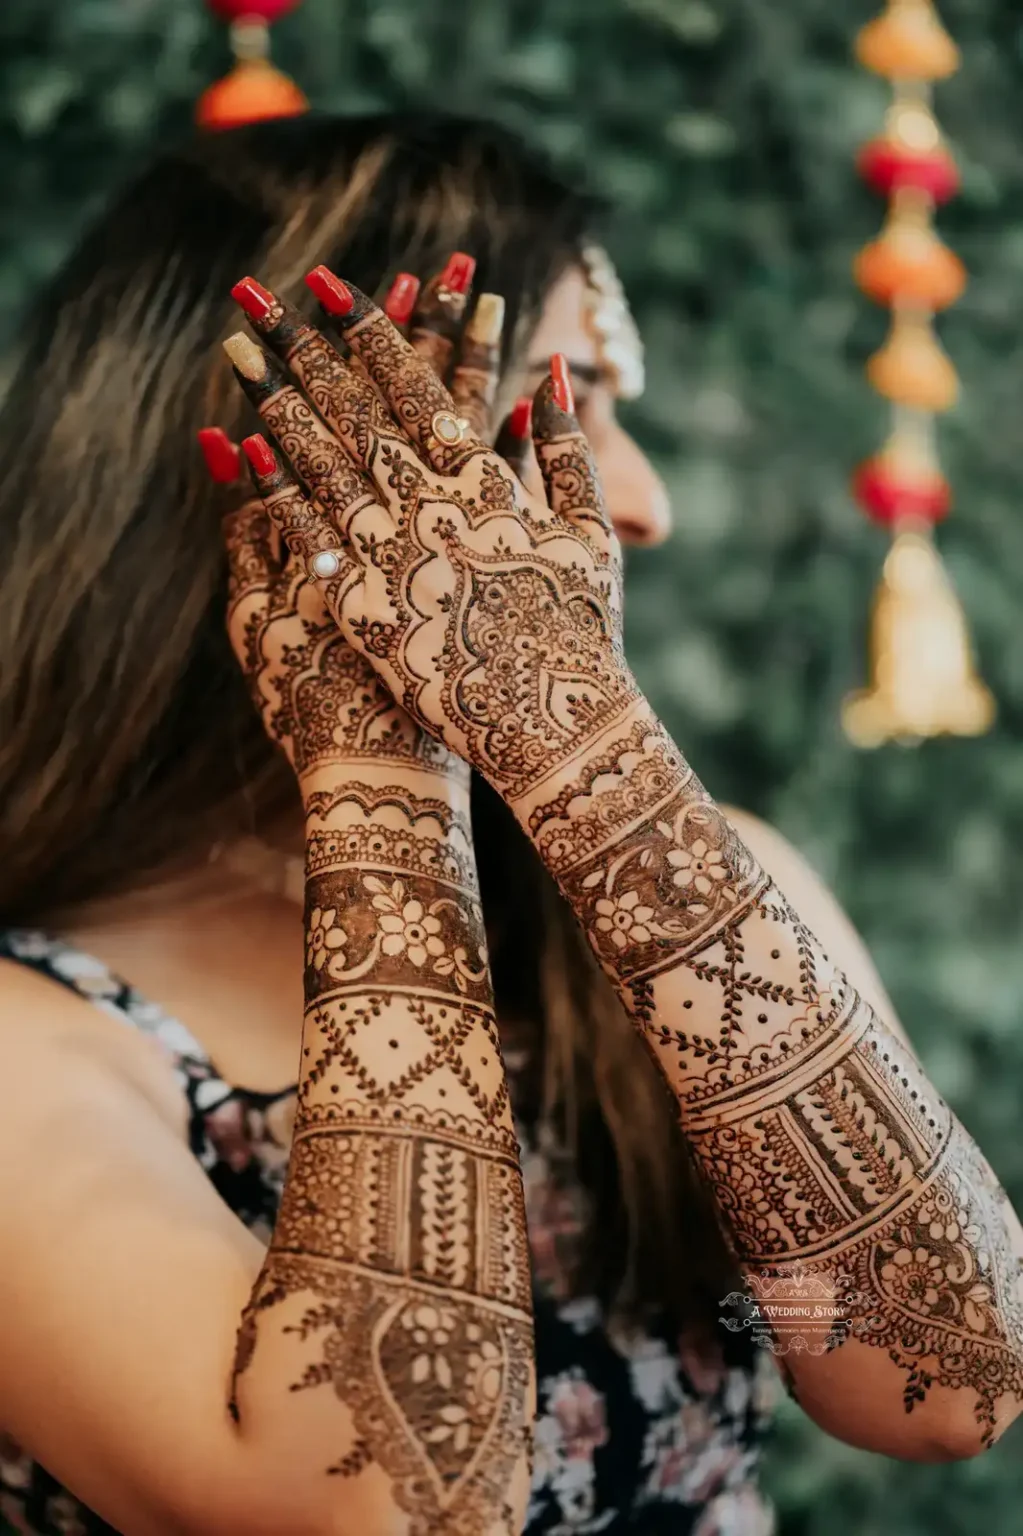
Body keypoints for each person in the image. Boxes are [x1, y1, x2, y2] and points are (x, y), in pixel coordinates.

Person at [0, 111, 1020, 1536]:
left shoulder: (676, 900)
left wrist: (581, 750)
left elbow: (934, 1379)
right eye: (567, 409)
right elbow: (387, 1517)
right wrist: (379, 777)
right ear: (303, 454)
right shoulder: (32, 1040)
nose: (645, 502)